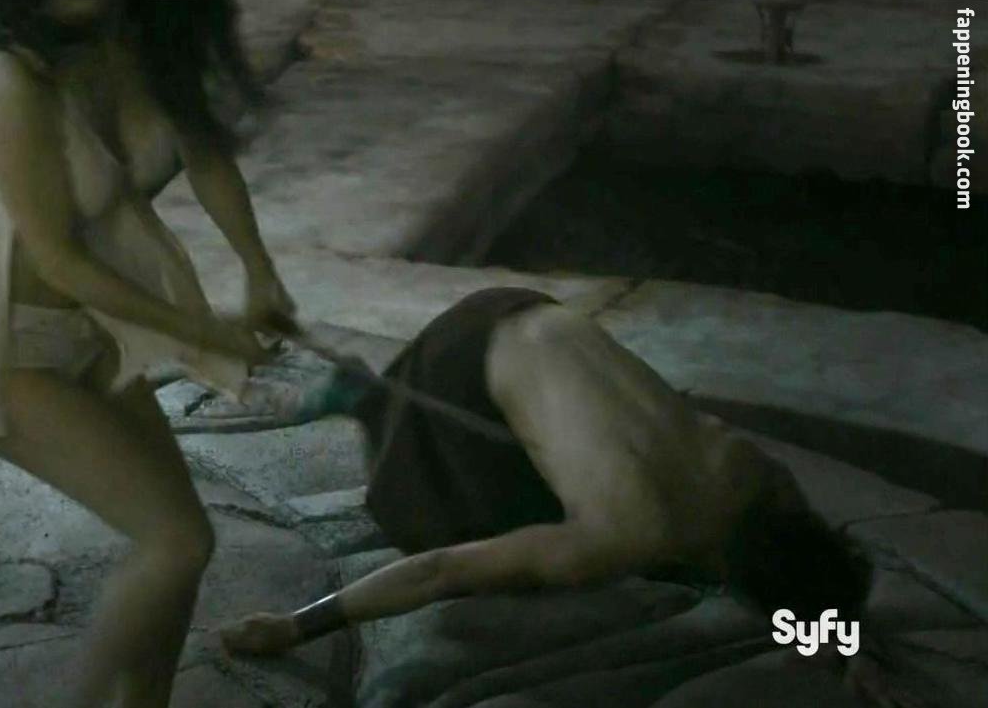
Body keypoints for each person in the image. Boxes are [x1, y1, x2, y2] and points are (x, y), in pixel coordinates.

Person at [222, 287, 914, 707]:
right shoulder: (624, 533)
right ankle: (366, 399)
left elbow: (806, 560)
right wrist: (294, 627)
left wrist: (850, 647)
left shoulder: (750, 472)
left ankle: (379, 397)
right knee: (449, 520)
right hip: (462, 361)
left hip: (522, 309)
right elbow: (439, 571)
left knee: (562, 475)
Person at [0, 0, 296, 706]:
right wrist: (206, 328)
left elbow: (206, 157)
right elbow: (60, 261)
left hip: (88, 331)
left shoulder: (137, 49)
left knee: (186, 547)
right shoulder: (13, 78)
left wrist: (258, 269)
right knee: (172, 541)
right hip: (2, 337)